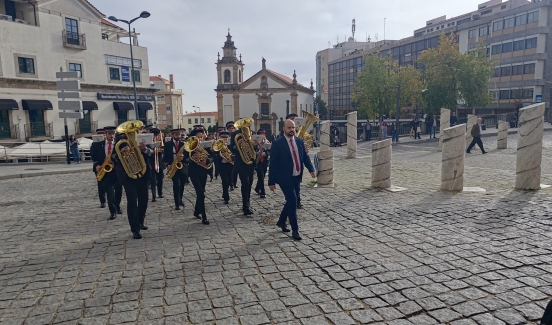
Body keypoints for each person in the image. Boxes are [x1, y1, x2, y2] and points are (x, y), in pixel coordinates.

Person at [268, 119, 316, 240]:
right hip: (285, 178)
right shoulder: (278, 143)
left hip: (297, 176)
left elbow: (304, 157)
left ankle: (281, 221)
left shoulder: (299, 141)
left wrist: (311, 169)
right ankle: (295, 230)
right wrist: (271, 181)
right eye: (289, 128)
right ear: (283, 129)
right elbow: (273, 163)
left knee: (290, 201)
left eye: (293, 128)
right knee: (293, 201)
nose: (291, 130)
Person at [112, 127, 153, 239]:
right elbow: (113, 156)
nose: (135, 133)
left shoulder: (143, 139)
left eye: (136, 131)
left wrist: (144, 149)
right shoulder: (120, 141)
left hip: (142, 174)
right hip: (128, 176)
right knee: (132, 201)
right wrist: (120, 152)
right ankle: (135, 229)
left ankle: (140, 221)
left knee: (144, 200)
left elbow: (151, 152)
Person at [90, 127, 119, 220]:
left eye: (113, 134)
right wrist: (96, 166)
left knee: (118, 191)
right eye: (110, 134)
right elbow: (94, 158)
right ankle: (113, 211)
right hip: (106, 171)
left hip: (118, 170)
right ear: (105, 135)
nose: (111, 136)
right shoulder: (97, 145)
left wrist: (114, 161)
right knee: (110, 193)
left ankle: (117, 207)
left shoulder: (118, 144)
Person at [229, 119, 256, 215]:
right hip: (241, 163)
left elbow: (256, 149)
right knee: (245, 184)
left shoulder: (253, 133)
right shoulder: (235, 134)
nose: (245, 127)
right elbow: (231, 147)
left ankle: (247, 202)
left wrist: (255, 145)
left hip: (251, 162)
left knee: (250, 184)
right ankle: (245, 206)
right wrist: (237, 145)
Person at [186, 129, 212, 225]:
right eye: (198, 137)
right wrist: (190, 156)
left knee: (201, 192)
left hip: (203, 171)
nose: (200, 139)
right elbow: (184, 158)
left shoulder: (205, 146)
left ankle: (197, 211)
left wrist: (207, 160)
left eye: (201, 137)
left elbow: (213, 156)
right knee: (201, 193)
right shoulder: (189, 146)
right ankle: (204, 217)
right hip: (193, 172)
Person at [164, 128, 187, 210]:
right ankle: (177, 203)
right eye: (176, 134)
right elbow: (165, 157)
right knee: (176, 185)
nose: (178, 136)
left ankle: (180, 199)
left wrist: (183, 158)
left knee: (182, 186)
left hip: (182, 167)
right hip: (173, 167)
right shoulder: (168, 144)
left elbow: (188, 156)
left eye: (179, 134)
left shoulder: (183, 144)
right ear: (172, 135)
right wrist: (167, 165)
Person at [215, 131, 233, 204]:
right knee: (224, 180)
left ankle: (225, 192)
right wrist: (220, 155)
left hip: (230, 164)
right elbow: (214, 156)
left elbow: (235, 154)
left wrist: (231, 158)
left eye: (226, 138)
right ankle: (226, 196)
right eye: (223, 138)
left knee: (229, 180)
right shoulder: (217, 146)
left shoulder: (231, 145)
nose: (225, 139)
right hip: (222, 165)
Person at [254, 129, 270, 199]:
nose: (262, 135)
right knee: (260, 176)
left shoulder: (267, 142)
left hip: (265, 162)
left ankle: (257, 188)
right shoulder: (255, 143)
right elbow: (252, 152)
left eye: (264, 134)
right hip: (258, 162)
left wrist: (265, 153)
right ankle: (262, 192)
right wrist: (258, 153)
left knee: (262, 176)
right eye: (261, 134)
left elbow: (270, 151)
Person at [150, 128, 164, 200]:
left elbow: (163, 150)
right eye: (154, 134)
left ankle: (160, 193)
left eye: (156, 134)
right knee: (153, 180)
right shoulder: (149, 142)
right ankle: (153, 195)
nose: (155, 136)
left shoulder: (160, 140)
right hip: (152, 163)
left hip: (159, 162)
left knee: (160, 179)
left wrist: (160, 150)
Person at [226, 121, 238, 190]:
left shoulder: (236, 136)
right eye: (230, 128)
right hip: (228, 153)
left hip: (234, 154)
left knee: (235, 170)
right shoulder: (226, 135)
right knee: (231, 171)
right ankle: (231, 184)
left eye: (232, 128)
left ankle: (234, 183)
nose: (231, 129)